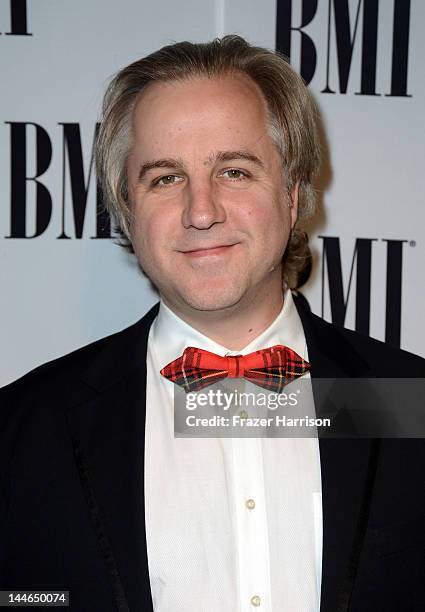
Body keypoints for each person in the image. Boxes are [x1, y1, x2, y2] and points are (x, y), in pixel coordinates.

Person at [1, 35, 424, 612]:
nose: (202, 212)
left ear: (294, 194)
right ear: (128, 210)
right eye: (165, 178)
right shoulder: (23, 430)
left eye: (234, 171)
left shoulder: (408, 401)